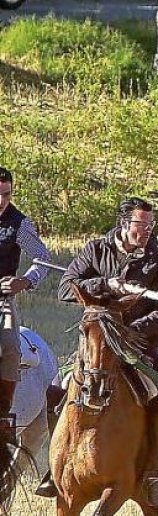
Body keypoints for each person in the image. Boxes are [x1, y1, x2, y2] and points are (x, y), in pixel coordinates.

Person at [36, 198, 158, 507]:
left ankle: (153, 474)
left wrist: (135, 329)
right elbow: (66, 287)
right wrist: (106, 283)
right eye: (141, 225)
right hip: (96, 341)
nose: (147, 231)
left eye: (150, 226)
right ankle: (55, 465)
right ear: (124, 224)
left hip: (138, 343)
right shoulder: (95, 251)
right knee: (55, 391)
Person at [0, 167, 52, 450]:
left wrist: (25, 281)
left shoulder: (19, 224)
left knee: (10, 346)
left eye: (6, 194)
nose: (1, 201)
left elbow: (42, 258)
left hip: (1, 299)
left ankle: (4, 417)